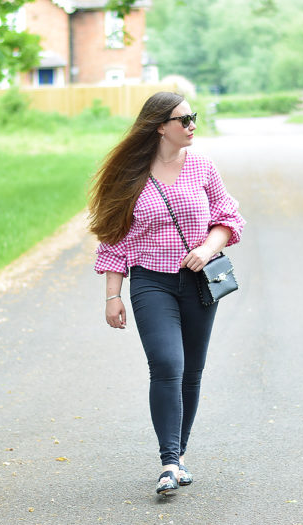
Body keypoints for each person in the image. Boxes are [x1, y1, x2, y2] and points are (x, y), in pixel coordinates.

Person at [88, 91, 245, 496]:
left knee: (191, 371)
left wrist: (208, 249)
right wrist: (112, 294)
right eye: (183, 119)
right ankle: (169, 463)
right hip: (150, 281)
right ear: (160, 126)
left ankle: (179, 456)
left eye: (194, 117)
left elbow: (228, 218)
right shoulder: (131, 175)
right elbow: (114, 238)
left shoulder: (203, 168)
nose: (192, 125)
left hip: (198, 283)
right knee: (167, 363)